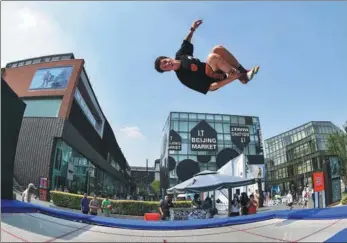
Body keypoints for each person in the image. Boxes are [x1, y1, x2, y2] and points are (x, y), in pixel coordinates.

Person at [154, 20, 260, 95]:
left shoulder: (180, 55)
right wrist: (232, 79)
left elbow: (186, 42)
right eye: (165, 67)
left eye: (165, 61)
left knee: (218, 49)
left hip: (214, 70)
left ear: (168, 58)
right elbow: (210, 88)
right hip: (212, 81)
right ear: (167, 71)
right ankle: (238, 75)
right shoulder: (183, 77)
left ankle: (243, 75)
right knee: (212, 57)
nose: (167, 64)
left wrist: (192, 29)